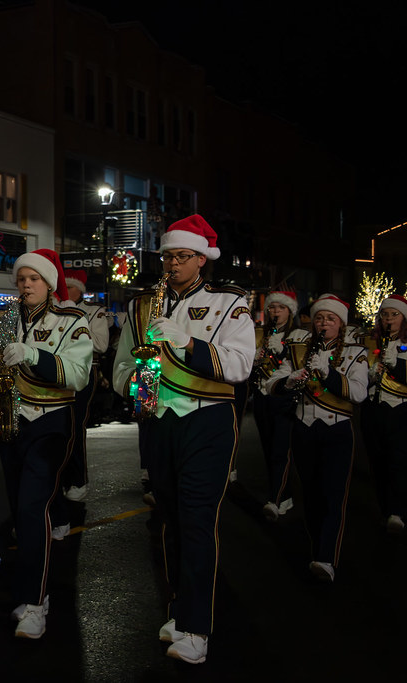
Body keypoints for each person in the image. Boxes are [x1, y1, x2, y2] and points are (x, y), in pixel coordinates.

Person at [112, 215, 254, 664]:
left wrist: (187, 341)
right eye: (167, 255)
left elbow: (239, 365)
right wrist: (134, 382)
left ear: (201, 259)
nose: (172, 263)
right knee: (170, 519)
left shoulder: (229, 302)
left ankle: (197, 626)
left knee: (196, 522)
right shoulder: (141, 305)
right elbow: (118, 367)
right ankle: (180, 607)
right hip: (158, 419)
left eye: (181, 256)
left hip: (206, 420)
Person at [0, 248, 93, 639]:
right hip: (12, 423)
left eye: (34, 279)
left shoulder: (70, 319)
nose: (26, 285)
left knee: (31, 509)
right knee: (18, 507)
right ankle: (29, 589)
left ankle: (34, 601)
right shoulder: (2, 320)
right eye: (21, 279)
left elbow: (77, 375)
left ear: (49, 284)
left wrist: (33, 354)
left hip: (51, 422)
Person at [263, 294, 367, 581]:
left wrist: (329, 373)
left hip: (336, 430)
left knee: (333, 495)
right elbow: (272, 382)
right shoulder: (298, 349)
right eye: (319, 318)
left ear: (340, 325)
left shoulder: (355, 353)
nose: (323, 323)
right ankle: (316, 547)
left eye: (330, 319)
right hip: (303, 428)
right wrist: (288, 380)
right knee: (310, 495)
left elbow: (358, 393)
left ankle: (326, 558)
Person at [252, 290, 308, 520]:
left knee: (280, 450)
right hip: (262, 396)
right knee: (268, 447)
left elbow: (302, 364)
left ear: (290, 311)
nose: (275, 312)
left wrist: (283, 351)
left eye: (280, 308)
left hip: (284, 397)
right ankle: (284, 495)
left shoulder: (299, 335)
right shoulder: (261, 335)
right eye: (272, 308)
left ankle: (275, 498)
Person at [59, 268, 109, 502]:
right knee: (57, 428)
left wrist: (72, 329)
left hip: (84, 371)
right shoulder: (55, 309)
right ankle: (60, 478)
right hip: (57, 372)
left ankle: (78, 480)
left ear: (80, 289)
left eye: (69, 287)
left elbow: (100, 344)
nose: (64, 291)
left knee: (75, 426)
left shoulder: (94, 311)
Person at [359, 294, 407, 533]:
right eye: (385, 315)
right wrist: (368, 373)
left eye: (394, 315)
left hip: (399, 409)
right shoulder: (371, 342)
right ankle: (386, 509)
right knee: (377, 462)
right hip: (372, 408)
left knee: (397, 462)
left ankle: (398, 511)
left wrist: (396, 365)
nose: (389, 319)